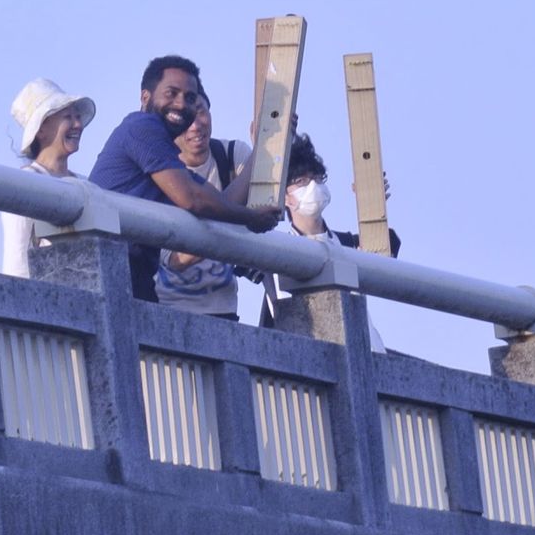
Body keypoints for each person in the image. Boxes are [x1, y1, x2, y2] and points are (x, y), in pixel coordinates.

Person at [87, 55, 282, 301]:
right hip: (105, 276)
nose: (181, 104)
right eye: (171, 93)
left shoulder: (166, 161)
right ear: (145, 97)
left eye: (190, 98)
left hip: (129, 277)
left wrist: (263, 146)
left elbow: (217, 202)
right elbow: (193, 199)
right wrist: (252, 217)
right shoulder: (141, 128)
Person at [257, 132, 402, 339]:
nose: (313, 186)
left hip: (360, 348)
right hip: (305, 355)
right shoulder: (275, 253)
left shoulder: (346, 245)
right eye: (301, 181)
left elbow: (386, 250)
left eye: (317, 178)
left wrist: (372, 205)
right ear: (284, 195)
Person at [154, 92, 256, 318]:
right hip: (171, 311)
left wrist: (273, 144)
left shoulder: (231, 156)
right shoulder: (161, 171)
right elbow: (176, 260)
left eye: (201, 112)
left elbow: (263, 209)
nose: (195, 125)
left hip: (225, 309)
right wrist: (258, 157)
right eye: (185, 117)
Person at [0, 78, 97, 277]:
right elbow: (17, 262)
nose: (77, 124)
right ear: (41, 130)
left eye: (77, 116)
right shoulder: (25, 184)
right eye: (67, 117)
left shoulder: (87, 185)